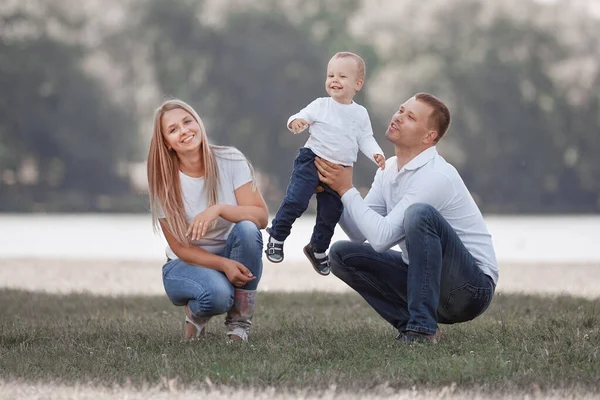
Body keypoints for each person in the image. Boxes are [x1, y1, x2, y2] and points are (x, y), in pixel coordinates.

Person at [315, 93, 498, 343]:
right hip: (424, 281)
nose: (399, 117)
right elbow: (359, 233)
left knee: (419, 214)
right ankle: (413, 326)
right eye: (401, 110)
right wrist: (332, 193)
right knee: (341, 255)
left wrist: (347, 189)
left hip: (469, 289)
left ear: (428, 137)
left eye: (410, 117)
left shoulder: (436, 176)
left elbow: (380, 240)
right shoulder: (389, 168)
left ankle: (421, 330)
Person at [147, 99, 269, 342]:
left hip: (230, 251)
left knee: (247, 229)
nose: (184, 131)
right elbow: (180, 247)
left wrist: (220, 209)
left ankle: (239, 326)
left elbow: (261, 217)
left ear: (198, 123)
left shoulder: (231, 160)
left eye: (187, 121)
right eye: (173, 130)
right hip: (186, 263)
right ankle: (196, 314)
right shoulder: (164, 181)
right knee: (218, 296)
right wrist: (223, 266)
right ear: (167, 144)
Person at [265, 51, 386, 276]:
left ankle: (317, 248)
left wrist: (376, 154)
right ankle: (277, 235)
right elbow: (297, 116)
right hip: (312, 159)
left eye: (342, 76)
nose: (334, 80)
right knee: (297, 200)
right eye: (330, 75)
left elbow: (366, 139)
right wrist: (296, 123)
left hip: (340, 169)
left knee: (330, 214)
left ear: (357, 84)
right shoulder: (320, 105)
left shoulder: (360, 114)